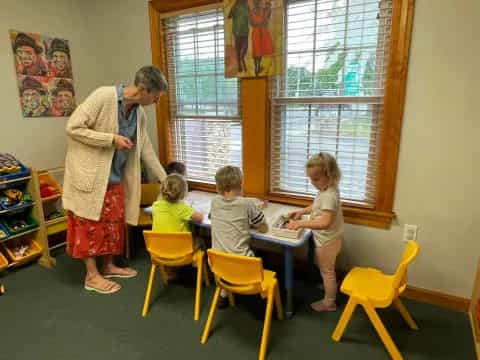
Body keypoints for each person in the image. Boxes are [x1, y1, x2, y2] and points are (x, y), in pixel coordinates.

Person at [63, 65, 168, 294]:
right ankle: (92, 276)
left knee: (112, 224)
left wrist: (165, 178)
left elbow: (145, 148)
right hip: (89, 175)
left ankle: (108, 265)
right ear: (143, 89)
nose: (157, 102)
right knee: (88, 225)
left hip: (115, 177)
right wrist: (110, 139)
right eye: (156, 97)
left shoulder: (139, 112)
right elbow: (73, 127)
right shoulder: (103, 96)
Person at [287, 153, 344, 312]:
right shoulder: (327, 189)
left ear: (330, 175)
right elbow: (317, 206)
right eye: (311, 179)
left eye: (316, 179)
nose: (313, 183)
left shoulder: (329, 195)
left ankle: (329, 302)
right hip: (332, 239)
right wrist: (302, 211)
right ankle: (328, 288)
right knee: (326, 270)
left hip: (327, 241)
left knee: (327, 272)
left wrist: (300, 223)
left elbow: (325, 222)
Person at [210, 165, 268, 307]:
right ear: (241, 185)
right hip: (243, 265)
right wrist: (253, 215)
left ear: (218, 188)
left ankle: (224, 293)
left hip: (218, 265)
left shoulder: (214, 202)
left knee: (226, 252)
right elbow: (263, 228)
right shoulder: (247, 204)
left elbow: (213, 217)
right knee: (256, 256)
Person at [248, 0, 274, 76]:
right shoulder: (261, 10)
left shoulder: (255, 11)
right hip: (259, 31)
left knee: (258, 51)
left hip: (258, 31)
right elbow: (264, 20)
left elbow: (252, 23)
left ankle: (257, 67)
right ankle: (257, 67)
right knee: (258, 51)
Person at [228, 0, 249, 73]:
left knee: (245, 48)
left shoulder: (246, 5)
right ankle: (240, 65)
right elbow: (229, 16)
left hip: (245, 31)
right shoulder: (236, 5)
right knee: (238, 49)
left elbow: (250, 14)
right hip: (237, 31)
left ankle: (241, 59)